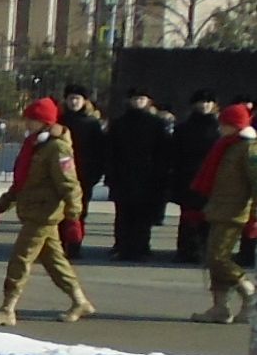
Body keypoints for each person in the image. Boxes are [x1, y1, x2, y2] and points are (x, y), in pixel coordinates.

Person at [0, 97, 95, 325]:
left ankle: (7, 309)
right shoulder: (33, 145)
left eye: (32, 120)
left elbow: (70, 185)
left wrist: (73, 218)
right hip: (33, 210)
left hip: (44, 214)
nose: (27, 124)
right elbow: (21, 183)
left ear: (44, 122)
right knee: (54, 261)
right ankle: (79, 301)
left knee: (20, 259)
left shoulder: (57, 148)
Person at [183, 101, 256, 324]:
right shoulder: (226, 145)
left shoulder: (249, 149)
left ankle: (249, 291)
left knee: (218, 258)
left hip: (235, 212)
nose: (220, 127)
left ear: (236, 125)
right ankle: (220, 307)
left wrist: (254, 216)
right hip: (218, 208)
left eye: (225, 124)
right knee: (213, 260)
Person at [105, 89, 172, 262]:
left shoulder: (157, 124)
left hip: (148, 176)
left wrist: (161, 174)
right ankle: (122, 246)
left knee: (143, 215)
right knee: (123, 214)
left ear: (148, 101)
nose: (138, 102)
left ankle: (142, 247)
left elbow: (163, 152)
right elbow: (110, 151)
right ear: (129, 101)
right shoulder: (119, 123)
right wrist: (111, 174)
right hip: (123, 175)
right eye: (135, 99)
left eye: (142, 99)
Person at [172, 90, 222, 263]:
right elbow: (175, 155)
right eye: (201, 102)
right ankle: (186, 250)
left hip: (213, 178)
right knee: (188, 216)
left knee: (209, 217)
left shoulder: (219, 128)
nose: (204, 105)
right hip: (188, 177)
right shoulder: (184, 128)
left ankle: (206, 250)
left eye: (208, 102)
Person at [57, 85, 105, 258]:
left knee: (79, 212)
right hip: (60, 174)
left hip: (83, 174)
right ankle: (58, 245)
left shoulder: (91, 123)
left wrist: (95, 174)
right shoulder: (59, 121)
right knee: (59, 211)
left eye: (77, 99)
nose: (74, 102)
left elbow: (99, 150)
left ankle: (75, 245)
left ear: (85, 101)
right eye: (71, 98)